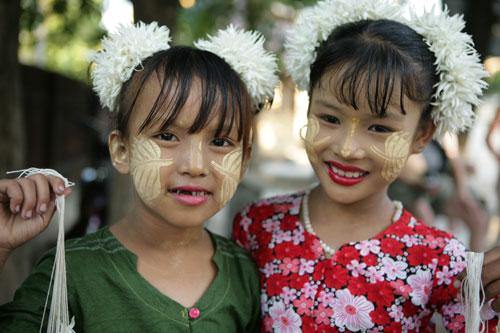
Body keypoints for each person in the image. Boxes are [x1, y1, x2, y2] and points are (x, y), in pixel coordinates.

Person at [232, 0, 500, 331]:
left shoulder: (440, 261)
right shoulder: (258, 226)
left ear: (422, 134)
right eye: (329, 118)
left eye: (380, 128)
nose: (347, 149)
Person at [0, 22, 278, 332]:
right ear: (121, 150)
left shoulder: (247, 274)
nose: (196, 165)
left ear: (243, 161)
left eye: (220, 142)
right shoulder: (70, 273)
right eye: (167, 135)